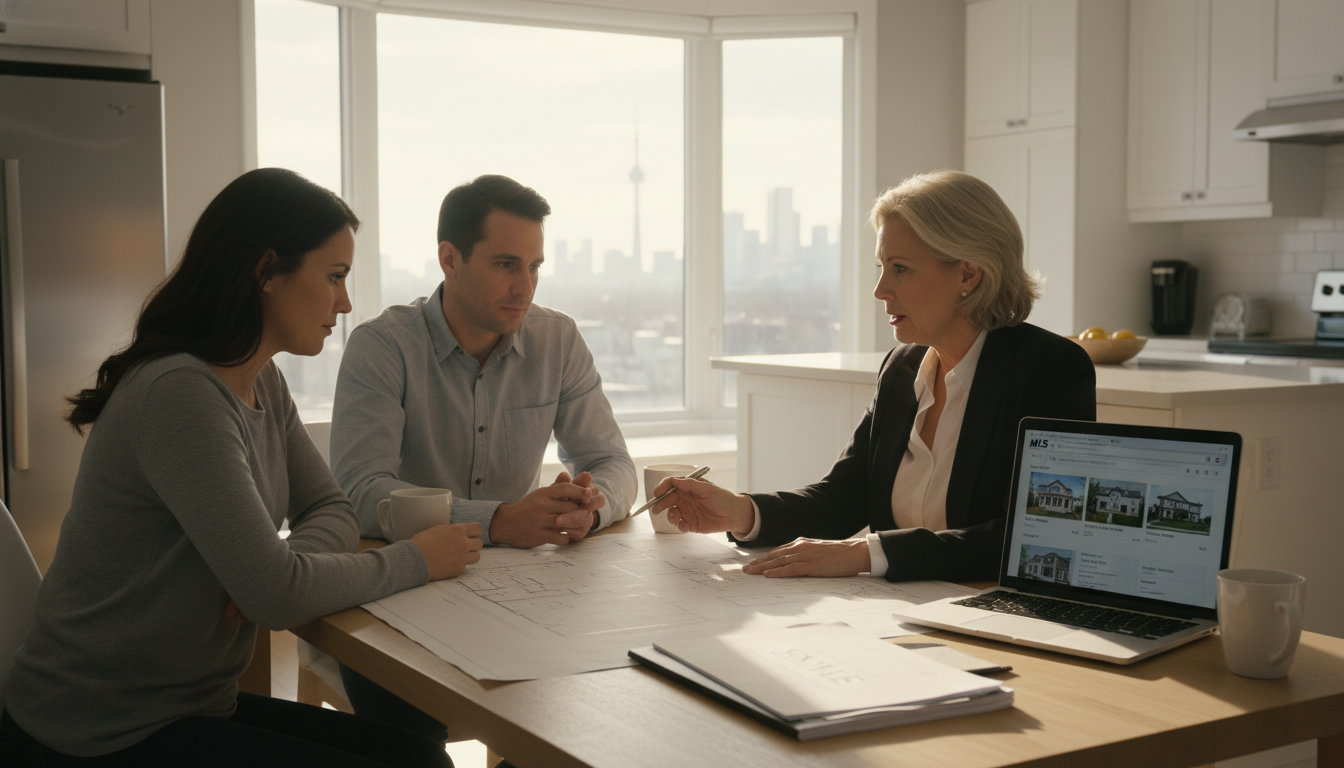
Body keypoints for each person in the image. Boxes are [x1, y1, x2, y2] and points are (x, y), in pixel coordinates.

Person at [0, 168, 481, 767]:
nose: (346, 302)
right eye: (334, 277)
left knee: (417, 757)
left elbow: (328, 509)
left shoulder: (262, 381)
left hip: (185, 707)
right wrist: (417, 558)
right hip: (96, 731)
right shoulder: (181, 393)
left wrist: (276, 574)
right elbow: (277, 596)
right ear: (266, 272)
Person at [651, 170, 1096, 583]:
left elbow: (1038, 535)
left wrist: (867, 553)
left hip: (995, 619)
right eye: (881, 267)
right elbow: (844, 498)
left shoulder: (1051, 370)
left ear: (968, 274)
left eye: (900, 268)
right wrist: (742, 513)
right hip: (896, 616)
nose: (880, 290)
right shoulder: (901, 368)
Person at [328, 174, 636, 740]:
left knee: (584, 723)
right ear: (449, 258)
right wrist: (496, 520)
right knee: (411, 746)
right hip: (397, 595)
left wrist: (589, 508)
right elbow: (359, 493)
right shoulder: (382, 346)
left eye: (535, 266)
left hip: (520, 596)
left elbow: (613, 462)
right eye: (505, 265)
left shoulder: (558, 340)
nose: (526, 287)